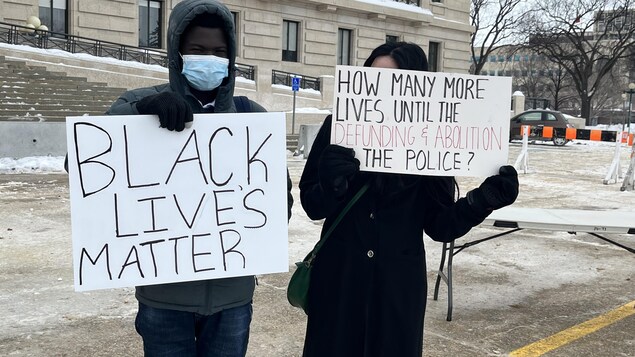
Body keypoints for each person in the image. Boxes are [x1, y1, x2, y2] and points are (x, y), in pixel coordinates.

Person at [298, 42, 519, 357]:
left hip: (397, 290)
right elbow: (312, 204)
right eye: (372, 80)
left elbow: (440, 225)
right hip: (340, 282)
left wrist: (481, 201)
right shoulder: (339, 127)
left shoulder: (433, 141)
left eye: (391, 82)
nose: (379, 90)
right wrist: (330, 183)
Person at [106, 0, 293, 355]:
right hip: (164, 299)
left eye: (219, 51)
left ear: (231, 56)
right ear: (178, 53)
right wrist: (137, 115)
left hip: (231, 298)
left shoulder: (250, 117)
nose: (210, 58)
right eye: (198, 49)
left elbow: (277, 205)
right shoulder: (140, 102)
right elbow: (85, 164)